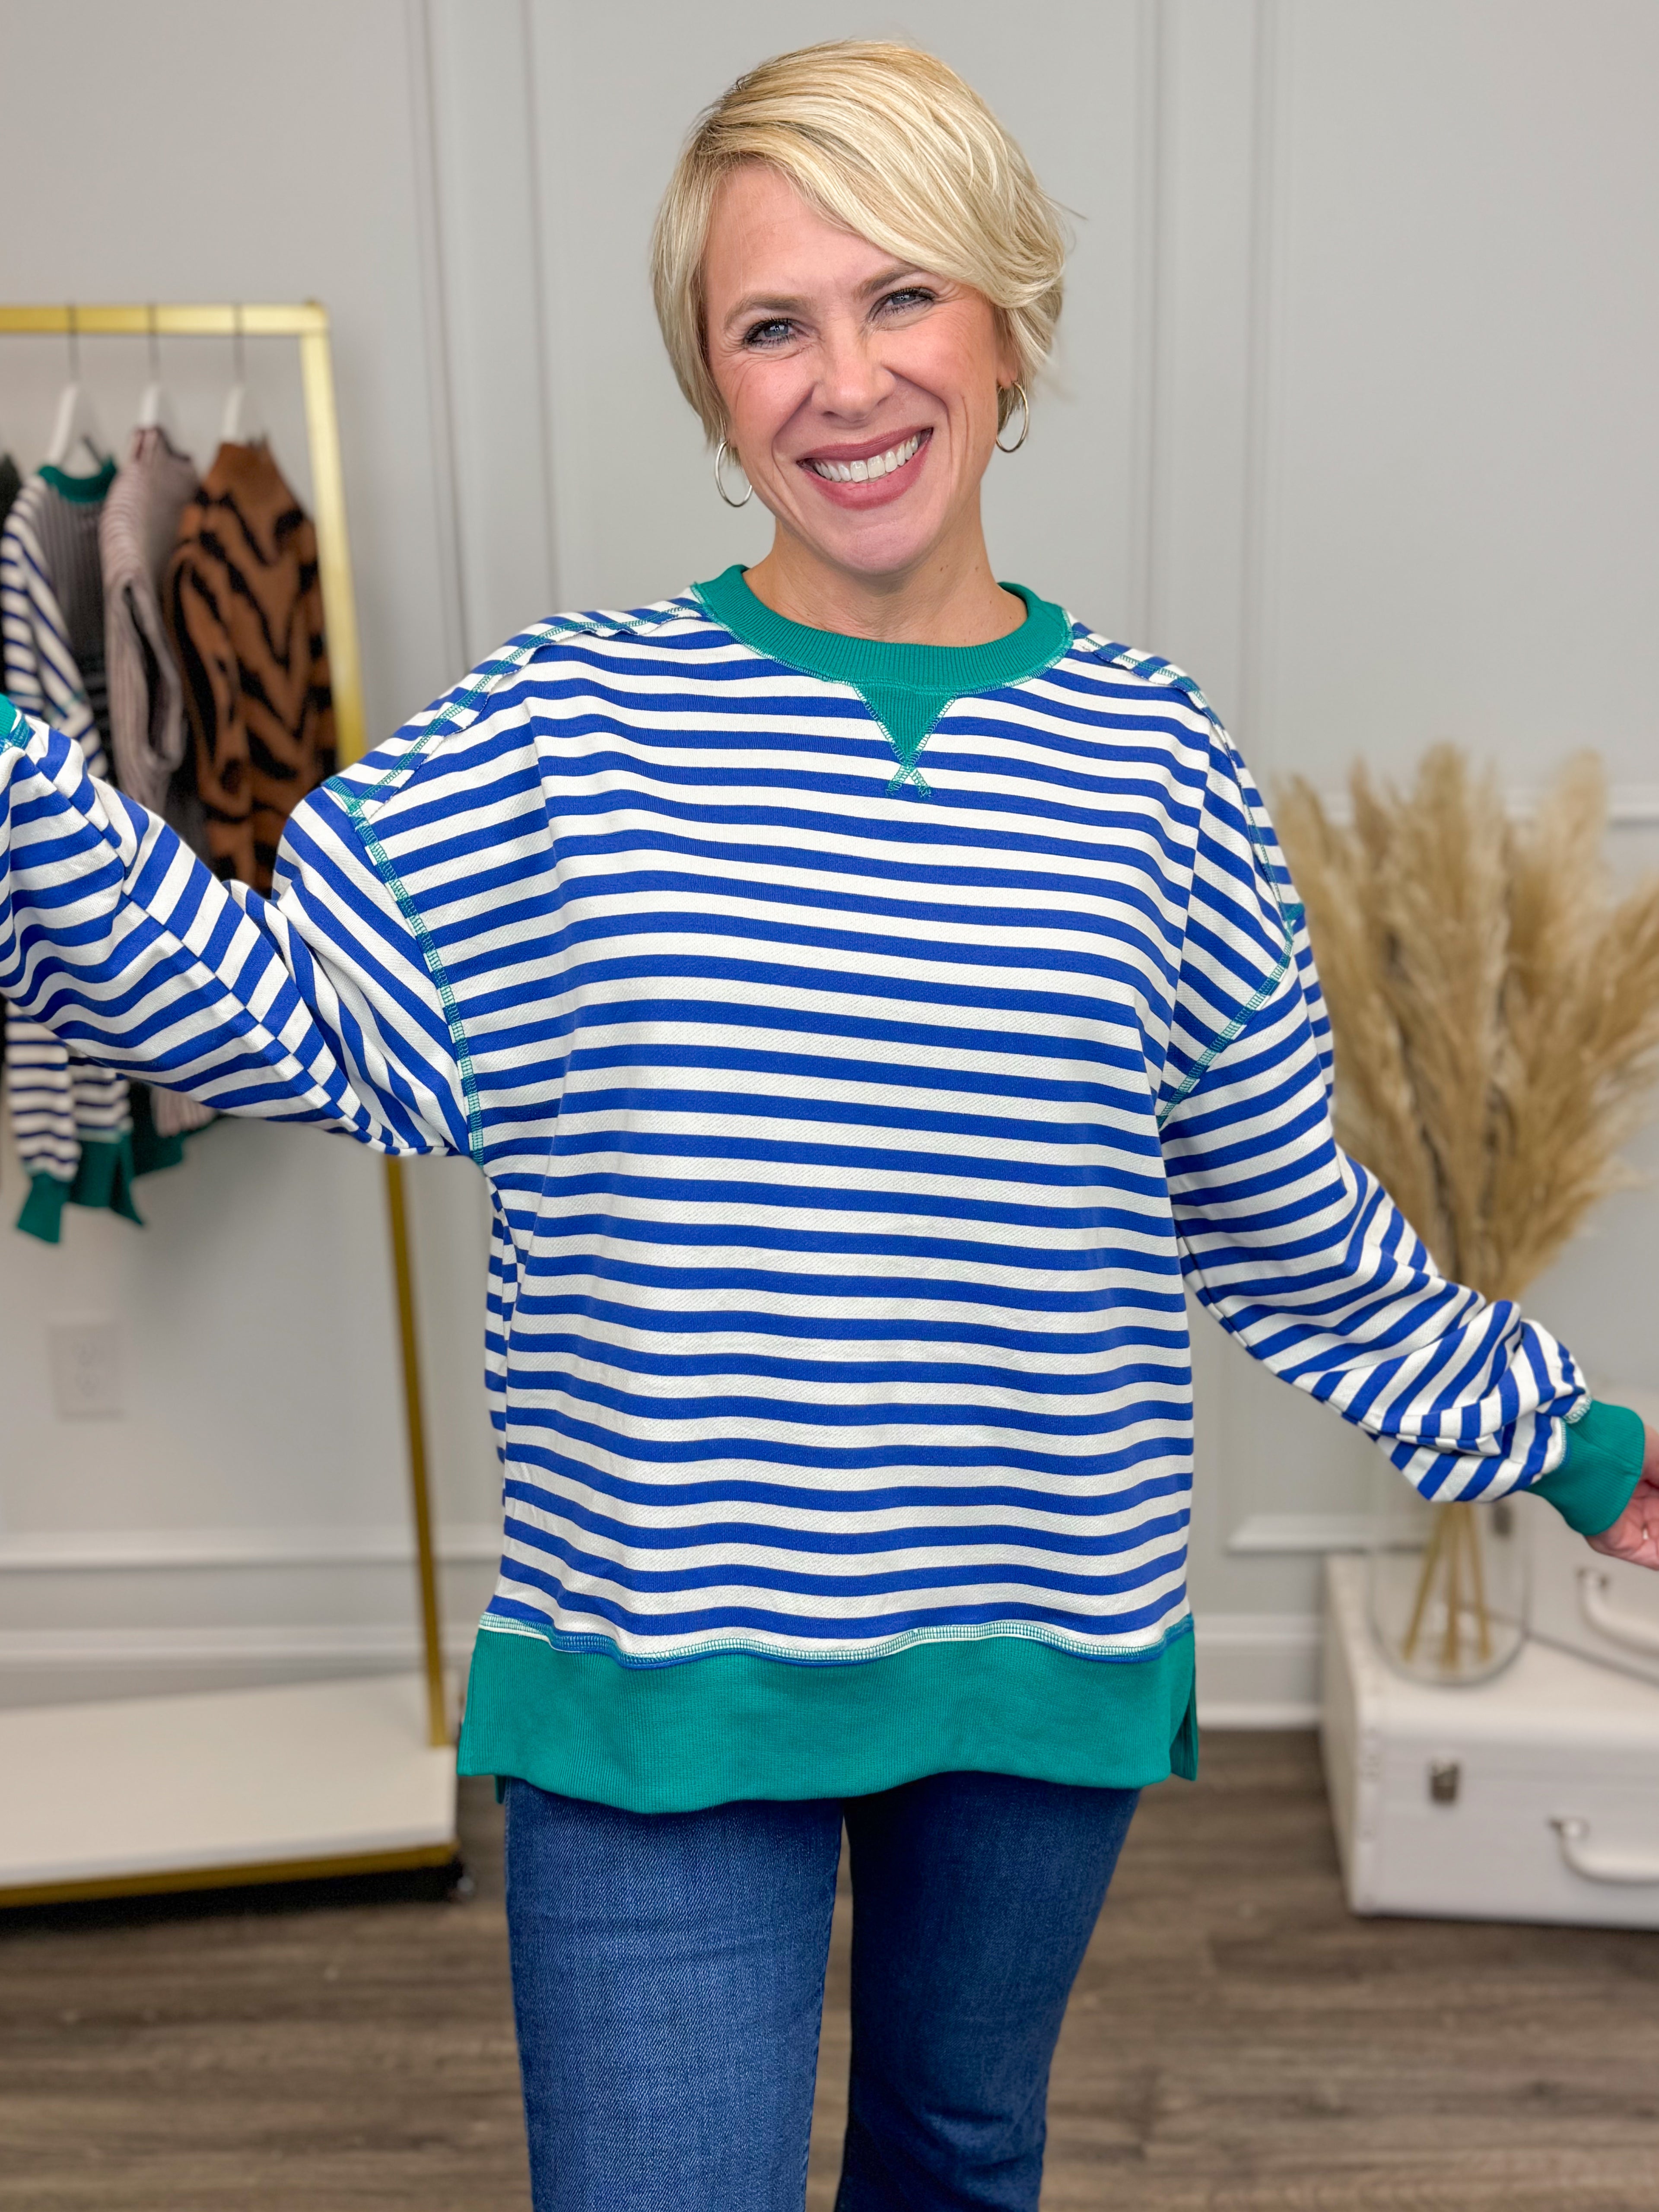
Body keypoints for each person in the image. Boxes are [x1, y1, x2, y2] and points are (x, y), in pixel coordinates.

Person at [2, 38, 1654, 2212]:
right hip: (662, 1666)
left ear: (1008, 319)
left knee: (959, 2155)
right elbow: (273, 1003)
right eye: (770, 324)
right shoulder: (561, 728)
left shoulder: (1159, 767)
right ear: (712, 382)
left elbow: (1277, 1223)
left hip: (1038, 1644)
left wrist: (1584, 1445)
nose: (843, 381)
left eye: (901, 300)